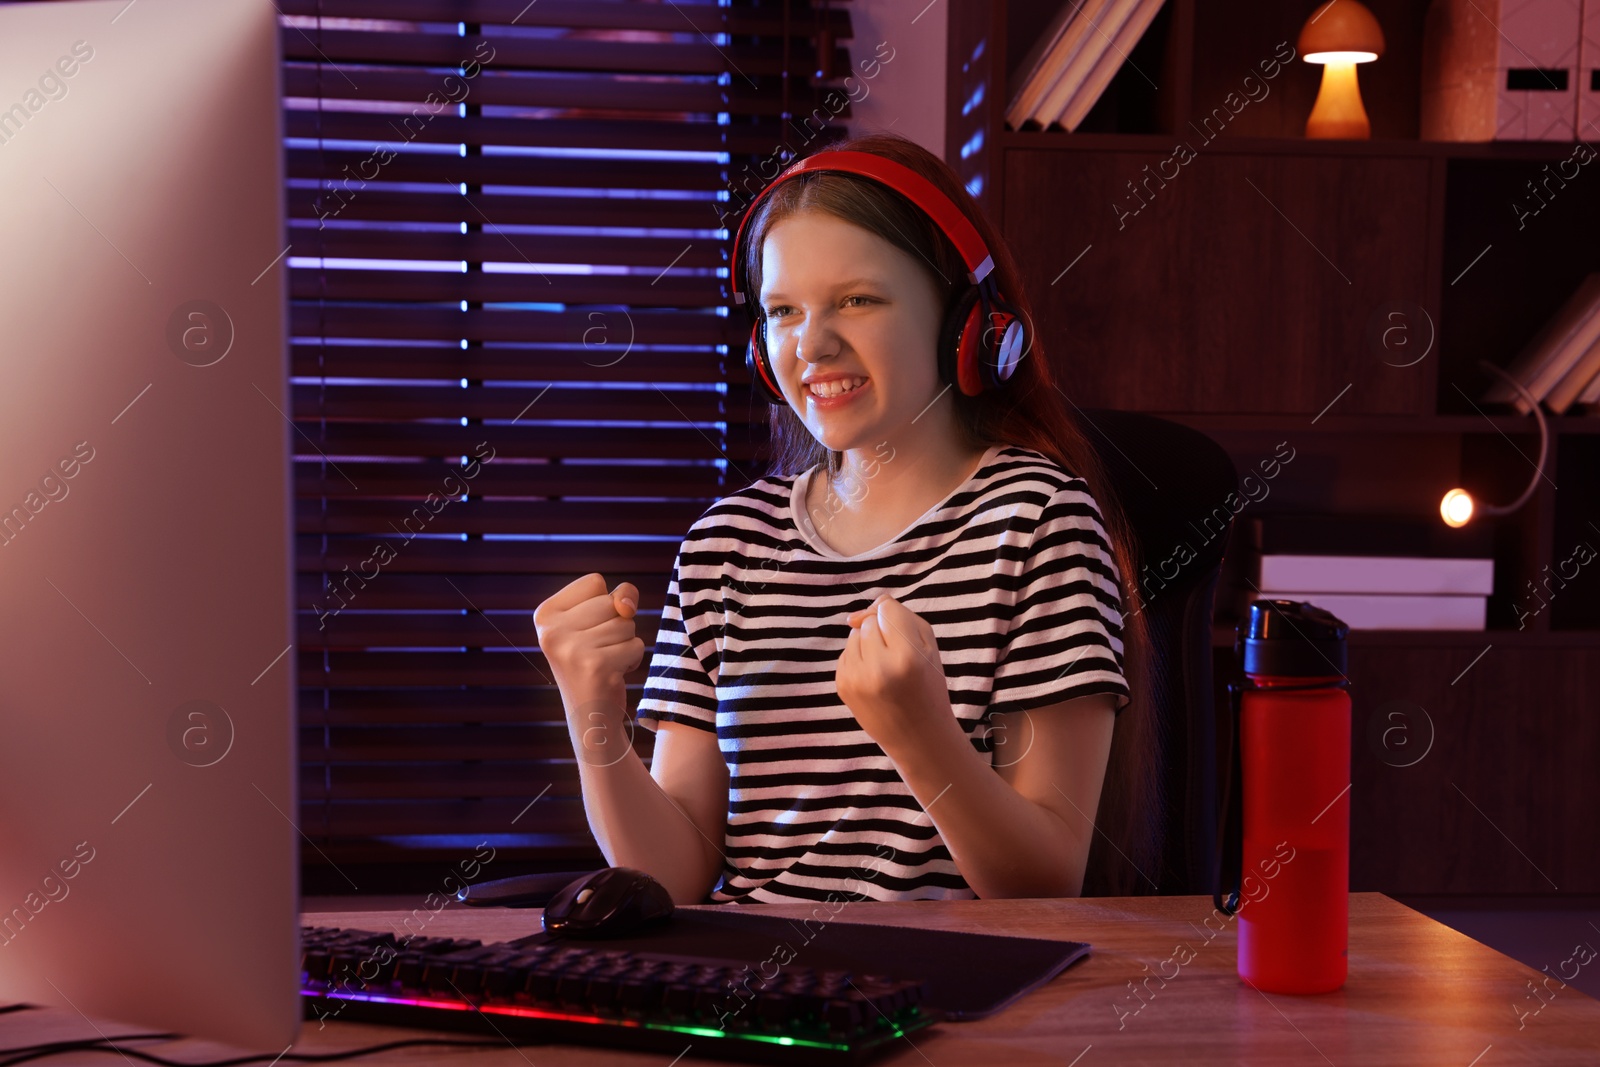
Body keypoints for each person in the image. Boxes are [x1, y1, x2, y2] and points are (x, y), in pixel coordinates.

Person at [533, 131, 1155, 906]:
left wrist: (922, 737)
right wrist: (591, 713)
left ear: (965, 321)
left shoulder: (1037, 523)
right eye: (783, 310)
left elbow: (1044, 880)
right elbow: (676, 878)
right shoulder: (724, 547)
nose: (813, 344)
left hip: (951, 1001)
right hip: (751, 999)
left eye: (858, 299)